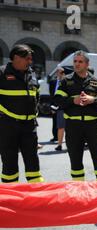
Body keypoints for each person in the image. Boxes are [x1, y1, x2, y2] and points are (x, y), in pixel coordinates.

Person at [54, 51, 97, 181]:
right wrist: (73, 101)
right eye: (75, 61)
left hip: (92, 127)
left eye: (80, 61)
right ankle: (78, 192)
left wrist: (93, 100)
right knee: (75, 160)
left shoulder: (96, 82)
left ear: (87, 63)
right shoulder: (66, 81)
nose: (77, 64)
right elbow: (57, 101)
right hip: (73, 126)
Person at [0, 44, 44, 183]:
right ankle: (11, 197)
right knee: (9, 162)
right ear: (16, 57)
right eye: (28, 59)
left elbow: (36, 94)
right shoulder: (2, 73)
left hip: (29, 126)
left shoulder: (31, 73)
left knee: (33, 162)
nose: (30, 62)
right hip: (8, 125)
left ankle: (37, 195)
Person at [53, 68, 66, 151]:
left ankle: (70, 145)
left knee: (69, 128)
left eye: (60, 73)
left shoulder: (66, 82)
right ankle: (59, 144)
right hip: (60, 108)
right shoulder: (55, 82)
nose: (58, 74)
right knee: (60, 127)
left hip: (66, 107)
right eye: (58, 72)